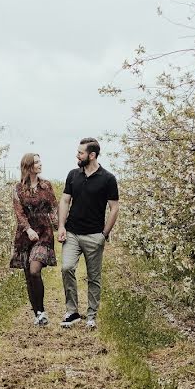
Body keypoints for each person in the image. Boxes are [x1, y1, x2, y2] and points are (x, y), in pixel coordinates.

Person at [57, 138, 120, 330]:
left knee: (94, 278)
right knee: (67, 268)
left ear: (92, 155)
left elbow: (114, 208)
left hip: (94, 235)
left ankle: (91, 316)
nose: (77, 156)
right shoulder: (73, 175)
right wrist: (61, 226)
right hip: (73, 233)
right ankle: (72, 311)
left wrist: (104, 234)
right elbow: (65, 201)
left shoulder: (107, 179)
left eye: (81, 153)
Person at [11, 153, 59, 326]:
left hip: (44, 233)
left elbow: (53, 208)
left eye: (40, 161)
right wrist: (28, 229)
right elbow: (19, 212)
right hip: (25, 235)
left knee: (34, 271)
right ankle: (38, 313)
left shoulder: (46, 186)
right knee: (28, 277)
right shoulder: (18, 188)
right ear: (28, 166)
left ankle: (41, 311)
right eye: (36, 162)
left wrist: (60, 228)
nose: (40, 164)